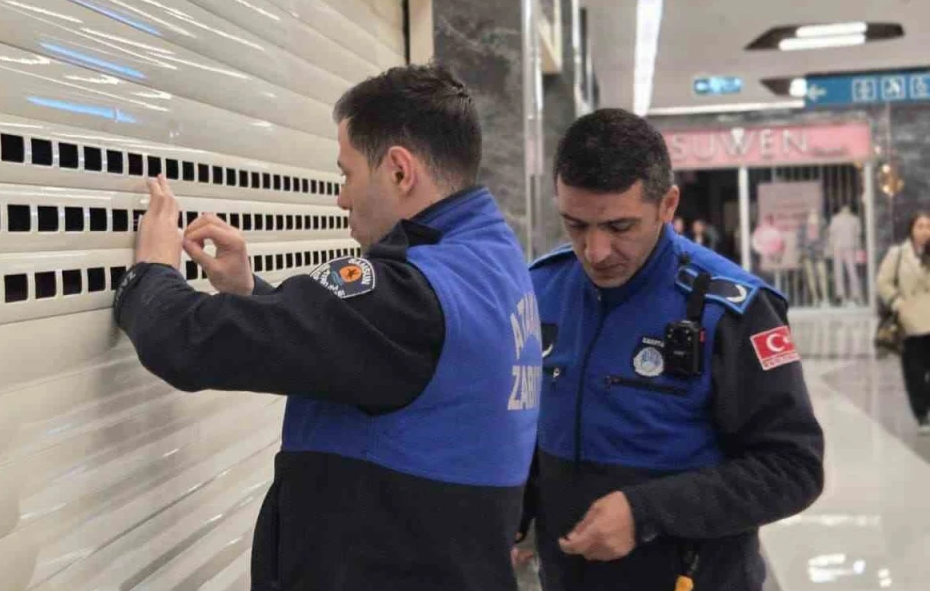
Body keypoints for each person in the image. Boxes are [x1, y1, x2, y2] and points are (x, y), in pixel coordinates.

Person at [114, 64, 541, 591]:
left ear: (399, 171)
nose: (341, 198)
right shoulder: (495, 265)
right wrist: (253, 294)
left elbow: (188, 343)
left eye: (347, 173)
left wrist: (151, 271)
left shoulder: (412, 297)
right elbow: (367, 352)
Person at [519, 109, 824, 590]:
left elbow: (793, 469)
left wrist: (646, 512)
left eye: (619, 226)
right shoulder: (540, 290)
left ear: (668, 205)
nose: (595, 251)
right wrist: (515, 509)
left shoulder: (732, 311)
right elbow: (524, 426)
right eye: (575, 225)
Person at [878, 210, 930, 433]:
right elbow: (883, 282)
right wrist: (898, 303)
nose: (925, 231)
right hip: (910, 322)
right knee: (914, 372)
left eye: (928, 226)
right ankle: (922, 415)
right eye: (920, 226)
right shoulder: (898, 253)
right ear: (911, 229)